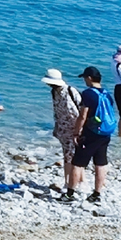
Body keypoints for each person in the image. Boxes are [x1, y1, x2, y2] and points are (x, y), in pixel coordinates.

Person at [72, 66, 115, 203]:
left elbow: (82, 116)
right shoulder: (107, 93)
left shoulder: (88, 94)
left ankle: (69, 194)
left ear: (89, 78)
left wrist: (76, 132)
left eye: (85, 78)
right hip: (105, 132)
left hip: (91, 133)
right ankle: (96, 194)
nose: (84, 81)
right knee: (100, 163)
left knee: (78, 163)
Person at [41, 69, 83, 199]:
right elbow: (57, 111)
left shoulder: (71, 91)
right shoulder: (54, 92)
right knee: (69, 156)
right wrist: (57, 127)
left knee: (73, 157)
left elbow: (82, 109)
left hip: (76, 129)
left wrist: (80, 129)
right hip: (63, 130)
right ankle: (74, 182)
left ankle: (72, 183)